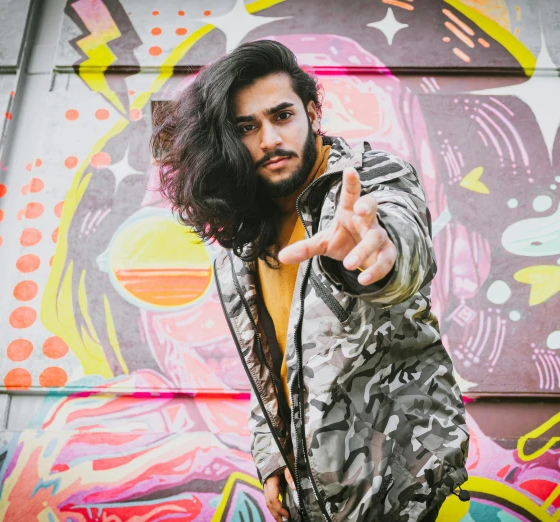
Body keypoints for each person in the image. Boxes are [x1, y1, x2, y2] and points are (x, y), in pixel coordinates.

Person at [152, 40, 469, 522]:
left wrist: (374, 254)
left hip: (402, 483)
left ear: (312, 110)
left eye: (282, 116)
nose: (268, 139)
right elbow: (271, 359)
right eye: (247, 127)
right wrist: (272, 454)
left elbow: (401, 245)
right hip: (309, 493)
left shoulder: (367, 179)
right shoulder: (243, 235)